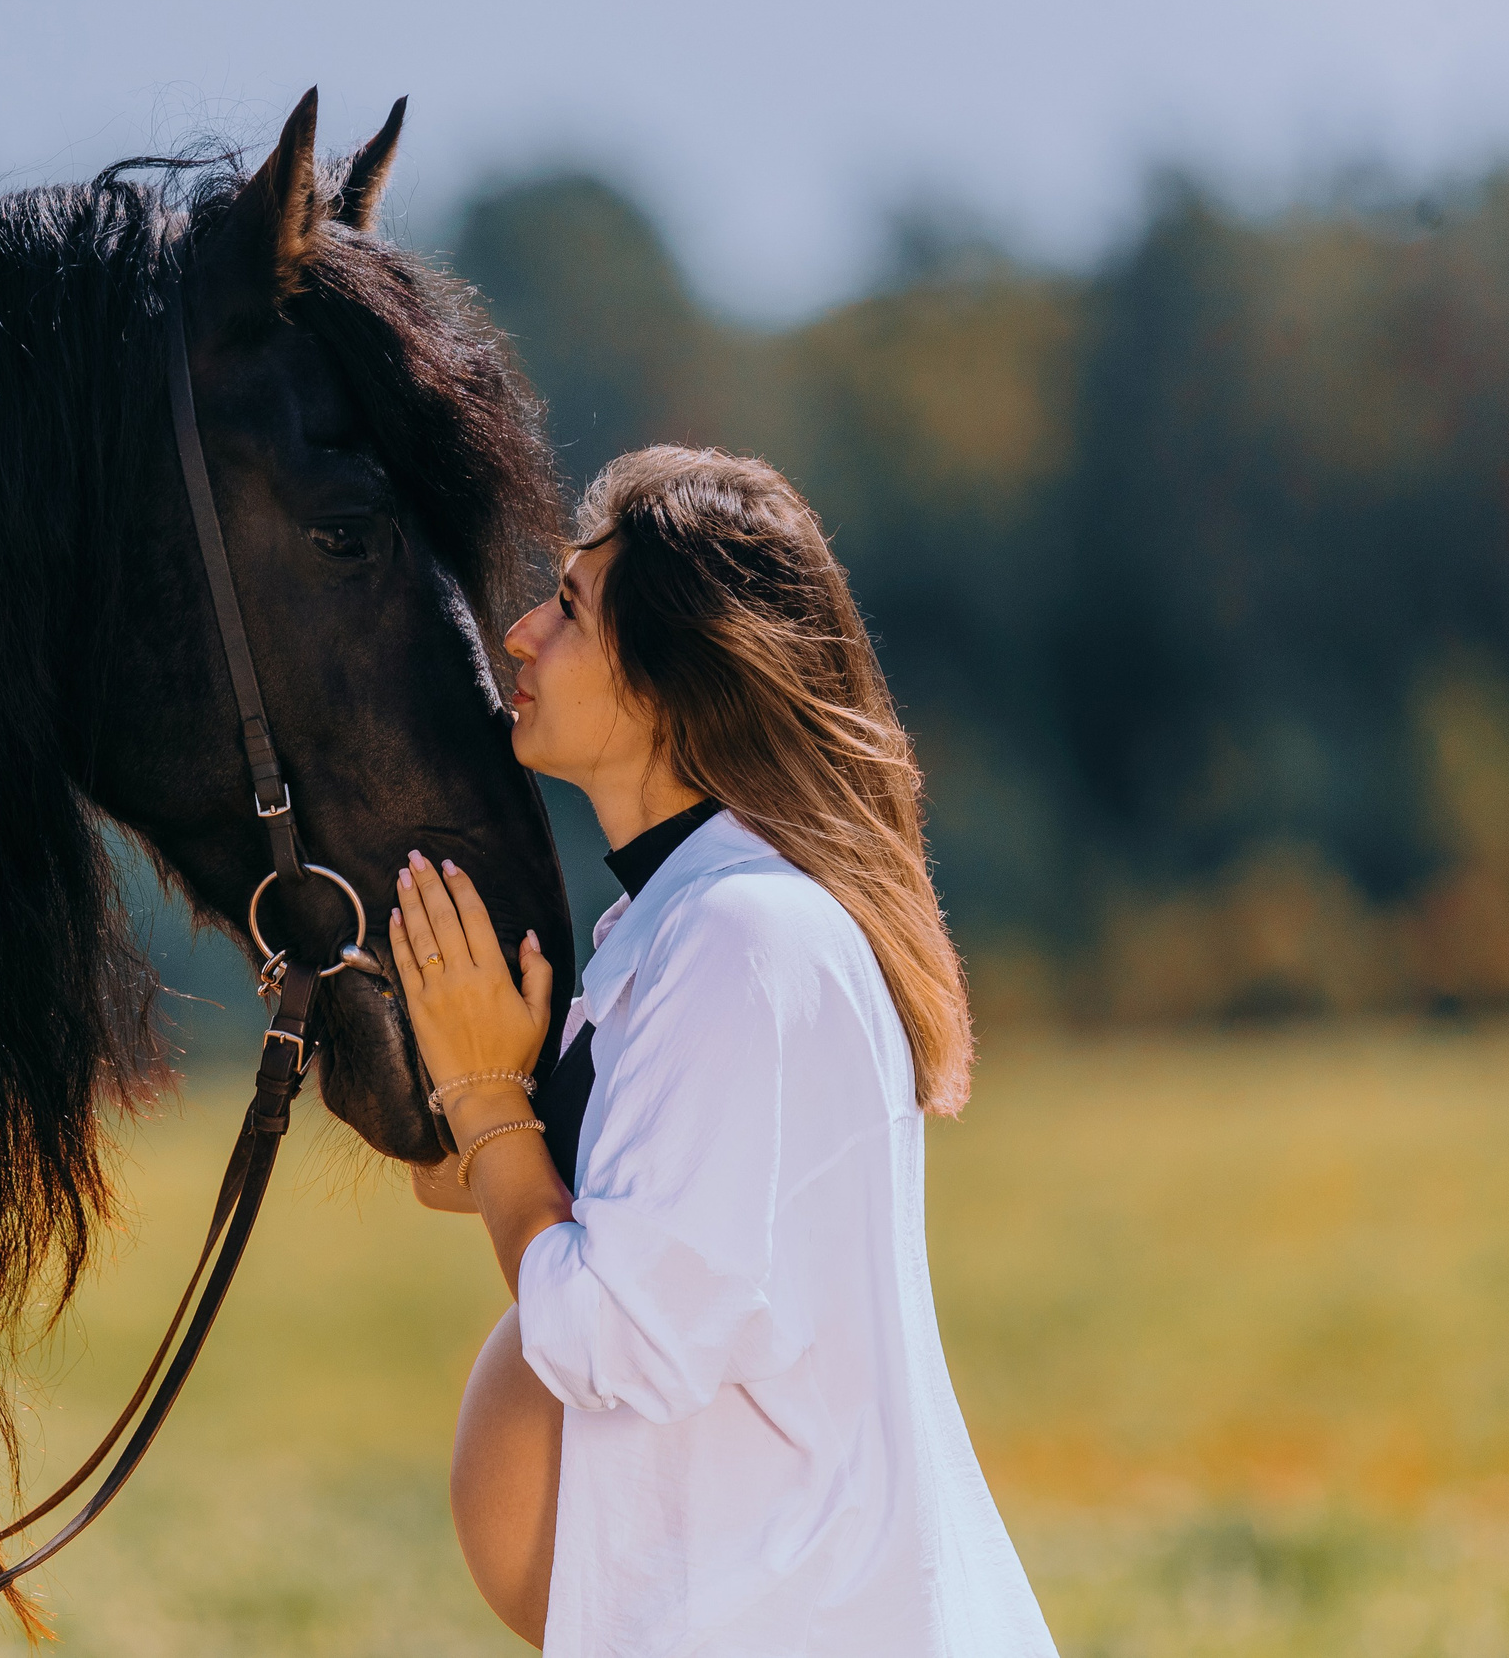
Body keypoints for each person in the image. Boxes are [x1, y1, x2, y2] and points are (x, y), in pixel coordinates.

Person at [391, 447, 1056, 1655]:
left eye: (572, 607)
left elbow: (621, 1333)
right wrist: (490, 1111)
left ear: (673, 679)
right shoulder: (680, 925)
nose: (521, 633)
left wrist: (490, 1103)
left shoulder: (744, 937)